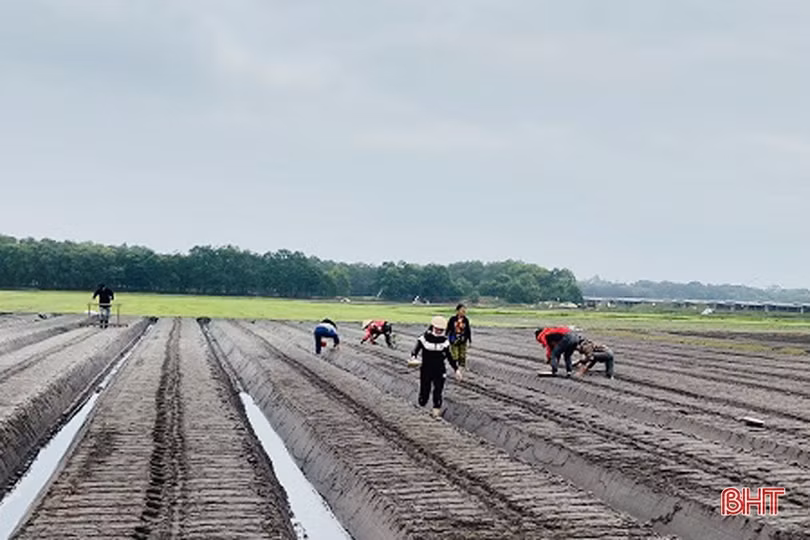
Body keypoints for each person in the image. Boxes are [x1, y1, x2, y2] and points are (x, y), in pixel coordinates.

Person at [409, 316, 462, 418]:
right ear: (432, 327)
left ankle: (435, 412)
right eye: (437, 329)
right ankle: (422, 404)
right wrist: (413, 357)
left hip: (439, 370)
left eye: (441, 330)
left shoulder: (445, 341)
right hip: (426, 369)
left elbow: (450, 357)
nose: (439, 331)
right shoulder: (424, 339)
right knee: (425, 391)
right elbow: (415, 350)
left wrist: (456, 370)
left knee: (438, 391)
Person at [446, 303, 472, 370]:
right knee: (455, 355)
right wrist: (446, 337)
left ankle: (462, 368)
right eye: (462, 310)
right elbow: (448, 328)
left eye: (464, 310)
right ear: (457, 311)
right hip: (454, 340)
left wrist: (470, 340)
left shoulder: (465, 320)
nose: (464, 311)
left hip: (463, 339)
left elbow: (468, 330)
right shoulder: (452, 319)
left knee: (462, 355)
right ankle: (455, 367)